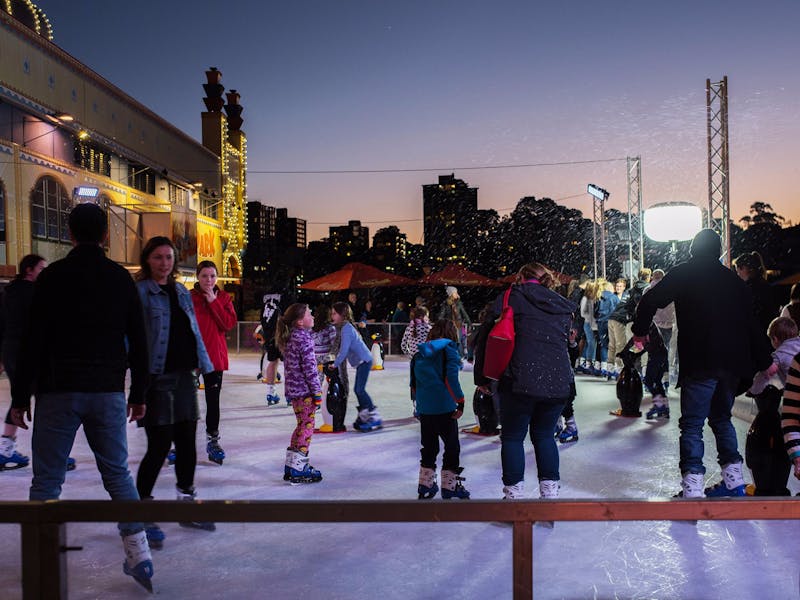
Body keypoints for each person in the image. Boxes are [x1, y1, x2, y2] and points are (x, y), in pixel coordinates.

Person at [9, 203, 154, 590]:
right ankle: (140, 555)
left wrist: (20, 398)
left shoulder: (52, 277)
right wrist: (138, 392)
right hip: (106, 391)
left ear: (70, 235)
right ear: (106, 235)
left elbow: (32, 342)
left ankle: (40, 558)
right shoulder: (119, 279)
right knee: (119, 476)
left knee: (46, 483)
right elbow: (139, 342)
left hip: (57, 392)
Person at [632, 229, 772, 498]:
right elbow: (751, 324)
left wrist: (640, 330)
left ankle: (692, 487)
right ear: (718, 250)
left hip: (700, 360)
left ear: (694, 249)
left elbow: (650, 299)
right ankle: (734, 483)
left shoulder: (685, 272)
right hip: (731, 365)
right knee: (722, 419)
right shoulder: (734, 281)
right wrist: (765, 360)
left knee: (693, 424)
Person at [134, 236, 215, 547]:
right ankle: (140, 510)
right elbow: (135, 339)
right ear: (147, 260)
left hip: (184, 377)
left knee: (186, 442)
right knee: (158, 446)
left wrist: (201, 364)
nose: (164, 263)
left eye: (169, 257)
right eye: (158, 258)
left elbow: (191, 328)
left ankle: (186, 502)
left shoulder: (181, 290)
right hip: (157, 379)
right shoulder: (140, 292)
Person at [483, 262, 576, 500]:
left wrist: (483, 377)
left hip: (519, 379)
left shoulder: (510, 298)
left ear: (520, 277)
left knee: (513, 437)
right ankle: (550, 494)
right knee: (545, 436)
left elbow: (487, 336)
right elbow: (570, 343)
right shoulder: (560, 304)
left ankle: (514, 496)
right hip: (558, 381)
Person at [412, 319, 469, 499]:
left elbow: (414, 384)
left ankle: (425, 484)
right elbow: (451, 379)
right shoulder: (449, 351)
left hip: (425, 410)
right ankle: (449, 486)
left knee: (428, 447)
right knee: (452, 446)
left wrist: (419, 404)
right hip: (445, 409)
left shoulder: (419, 353)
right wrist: (460, 401)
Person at [191, 261, 237, 465]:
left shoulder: (224, 298)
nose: (208, 280)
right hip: (191, 358)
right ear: (197, 277)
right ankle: (179, 443)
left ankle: (213, 441)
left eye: (212, 276)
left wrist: (213, 301)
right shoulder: (189, 298)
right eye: (204, 276)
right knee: (186, 403)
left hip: (213, 358)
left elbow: (227, 324)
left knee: (213, 402)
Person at [276, 303, 324, 483]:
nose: (312, 316)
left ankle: (292, 464)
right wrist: (317, 392)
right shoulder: (303, 339)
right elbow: (310, 369)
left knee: (301, 426)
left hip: (295, 392)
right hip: (305, 392)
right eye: (309, 314)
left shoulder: (292, 337)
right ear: (300, 322)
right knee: (307, 427)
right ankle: (299, 467)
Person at [330, 302, 383, 431]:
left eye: (334, 313)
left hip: (364, 361)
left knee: (359, 390)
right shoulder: (343, 327)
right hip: (362, 361)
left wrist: (335, 364)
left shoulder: (347, 328)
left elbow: (344, 350)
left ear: (342, 314)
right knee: (358, 389)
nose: (332, 316)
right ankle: (365, 414)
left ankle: (374, 415)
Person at [734, 251, 782, 334]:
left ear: (745, 268)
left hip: (757, 332)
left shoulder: (750, 287)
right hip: (766, 332)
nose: (738, 275)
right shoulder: (763, 284)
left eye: (738, 272)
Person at [311, 304, 338, 433]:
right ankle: (324, 402)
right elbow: (334, 344)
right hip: (325, 357)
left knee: (315, 381)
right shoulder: (330, 328)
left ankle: (314, 402)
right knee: (326, 382)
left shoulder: (312, 328)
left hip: (313, 356)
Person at [401, 306, 432, 415]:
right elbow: (433, 344)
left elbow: (403, 345)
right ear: (423, 316)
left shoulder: (409, 328)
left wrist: (410, 354)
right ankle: (426, 405)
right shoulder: (428, 328)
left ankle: (416, 407)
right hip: (426, 360)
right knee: (426, 383)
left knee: (415, 384)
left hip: (414, 360)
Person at [261, 289, 287, 406]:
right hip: (280, 335)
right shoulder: (282, 299)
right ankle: (291, 393)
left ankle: (271, 393)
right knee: (290, 363)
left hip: (268, 335)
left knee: (272, 361)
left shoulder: (265, 302)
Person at [594, 280, 619, 378]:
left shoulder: (599, 297)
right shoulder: (614, 298)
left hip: (601, 322)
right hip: (612, 322)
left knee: (604, 344)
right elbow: (619, 309)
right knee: (613, 345)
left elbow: (595, 311)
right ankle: (612, 367)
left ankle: (604, 367)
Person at [437, 286, 471, 358]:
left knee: (459, 341)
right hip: (449, 325)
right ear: (451, 294)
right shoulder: (446, 304)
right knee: (451, 341)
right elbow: (441, 315)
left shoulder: (459, 303)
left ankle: (459, 356)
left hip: (458, 325)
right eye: (455, 293)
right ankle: (450, 356)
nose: (457, 294)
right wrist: (440, 323)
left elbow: (464, 313)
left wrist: (469, 322)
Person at [577, 280, 599, 375]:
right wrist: (591, 318)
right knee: (591, 343)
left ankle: (585, 361)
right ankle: (589, 362)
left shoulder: (590, 299)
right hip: (589, 323)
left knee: (590, 342)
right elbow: (583, 313)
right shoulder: (586, 299)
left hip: (590, 323)